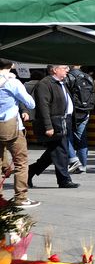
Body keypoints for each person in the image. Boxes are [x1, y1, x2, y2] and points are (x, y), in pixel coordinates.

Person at [27, 64, 79, 189]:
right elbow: (43, 107)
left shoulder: (61, 83)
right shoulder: (44, 84)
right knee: (61, 152)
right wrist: (48, 126)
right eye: (64, 68)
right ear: (55, 70)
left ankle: (31, 171)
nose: (67, 70)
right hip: (55, 122)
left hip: (63, 121)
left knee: (54, 152)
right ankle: (64, 180)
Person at [0, 60, 38, 208]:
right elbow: (30, 103)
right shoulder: (13, 83)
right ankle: (20, 197)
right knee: (21, 163)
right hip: (12, 128)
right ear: (11, 65)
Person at [65, 65, 94, 174]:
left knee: (67, 136)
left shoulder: (69, 77)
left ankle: (73, 160)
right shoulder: (88, 77)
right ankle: (83, 165)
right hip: (85, 110)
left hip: (73, 111)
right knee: (82, 137)